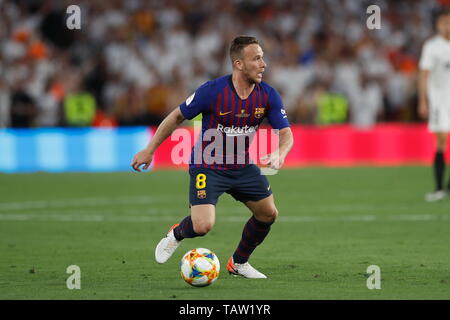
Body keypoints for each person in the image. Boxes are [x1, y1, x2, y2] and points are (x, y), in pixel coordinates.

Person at [131, 35, 293, 278]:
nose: (263, 64)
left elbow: (286, 133)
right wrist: (150, 149)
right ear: (238, 64)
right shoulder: (212, 91)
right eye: (256, 58)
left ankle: (238, 263)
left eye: (262, 58)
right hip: (208, 165)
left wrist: (280, 153)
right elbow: (177, 116)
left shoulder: (268, 95)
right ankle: (176, 233)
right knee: (202, 226)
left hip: (241, 165)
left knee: (268, 214)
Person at [418, 9, 450, 202]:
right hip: (439, 99)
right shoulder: (432, 47)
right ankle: (439, 188)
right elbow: (423, 74)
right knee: (441, 142)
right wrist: (423, 100)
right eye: (444, 23)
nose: (447, 26)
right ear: (437, 26)